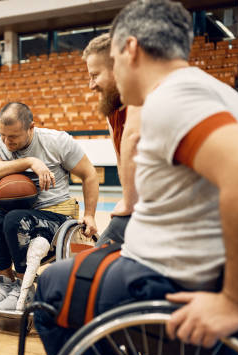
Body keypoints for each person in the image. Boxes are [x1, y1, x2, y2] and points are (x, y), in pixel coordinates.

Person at [27, 0, 238, 355]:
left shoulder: (170, 98)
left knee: (52, 288)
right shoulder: (218, 92)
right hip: (185, 270)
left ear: (130, 49)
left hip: (171, 285)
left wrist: (234, 300)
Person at [0, 102, 99, 311]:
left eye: (13, 137)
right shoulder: (0, 143)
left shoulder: (57, 141)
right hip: (19, 216)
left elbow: (90, 174)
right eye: (3, 135)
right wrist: (29, 162)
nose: (6, 142)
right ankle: (6, 283)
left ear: (31, 127)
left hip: (56, 215)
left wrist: (90, 214)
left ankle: (23, 285)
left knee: (15, 219)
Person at [83, 33, 141, 246]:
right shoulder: (112, 112)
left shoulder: (148, 100)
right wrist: (127, 197)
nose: (91, 85)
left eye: (95, 75)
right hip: (139, 207)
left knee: (85, 270)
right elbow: (122, 159)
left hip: (163, 213)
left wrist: (130, 201)